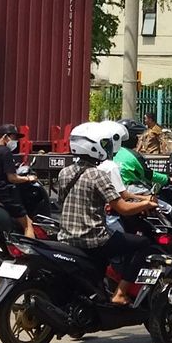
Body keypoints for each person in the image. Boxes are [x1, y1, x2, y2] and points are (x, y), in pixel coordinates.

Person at [57, 123, 158, 306]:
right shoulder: (98, 175)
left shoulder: (64, 172)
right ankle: (120, 293)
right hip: (93, 239)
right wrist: (146, 203)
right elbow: (123, 208)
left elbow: (61, 203)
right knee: (144, 244)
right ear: (93, 146)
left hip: (66, 237)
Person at [114, 119, 169, 188]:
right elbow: (149, 175)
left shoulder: (110, 153)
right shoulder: (133, 156)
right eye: (137, 136)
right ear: (130, 137)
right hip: (128, 191)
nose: (138, 139)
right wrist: (168, 179)